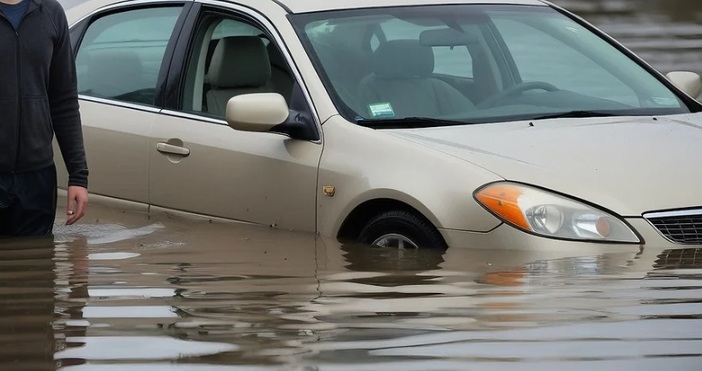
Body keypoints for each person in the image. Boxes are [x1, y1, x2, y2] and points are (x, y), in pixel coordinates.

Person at [0, 0, 88, 237]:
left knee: (36, 268)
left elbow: (65, 101)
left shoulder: (51, 13)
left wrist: (78, 176)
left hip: (37, 178)